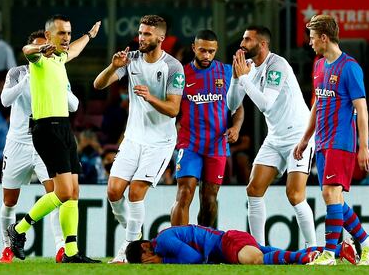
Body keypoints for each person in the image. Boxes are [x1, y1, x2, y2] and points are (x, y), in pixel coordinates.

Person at [7, 15, 101, 264]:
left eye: (69, 33)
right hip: (46, 129)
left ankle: (71, 252)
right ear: (48, 36)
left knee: (74, 193)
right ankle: (19, 229)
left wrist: (89, 36)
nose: (67, 38)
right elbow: (27, 51)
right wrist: (39, 48)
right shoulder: (38, 60)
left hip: (64, 129)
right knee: (62, 192)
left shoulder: (60, 58)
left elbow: (77, 50)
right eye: (62, 33)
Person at [93, 15, 184, 263]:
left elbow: (174, 109)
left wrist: (150, 97)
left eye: (146, 34)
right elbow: (98, 85)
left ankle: (127, 248)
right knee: (113, 192)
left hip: (160, 142)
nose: (141, 38)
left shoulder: (173, 67)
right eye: (140, 33)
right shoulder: (130, 59)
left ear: (160, 38)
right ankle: (134, 230)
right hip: (133, 138)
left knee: (135, 192)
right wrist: (113, 67)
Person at [294, 14, 369, 265]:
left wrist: (363, 145)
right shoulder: (319, 66)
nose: (310, 43)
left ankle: (330, 253)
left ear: (324, 37)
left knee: (331, 194)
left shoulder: (350, 67)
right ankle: (366, 242)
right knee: (334, 198)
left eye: (312, 38)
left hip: (341, 141)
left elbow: (361, 108)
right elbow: (317, 105)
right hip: (321, 141)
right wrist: (304, 139)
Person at [226, 26, 316, 247]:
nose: (242, 43)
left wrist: (245, 79)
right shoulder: (248, 68)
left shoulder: (278, 64)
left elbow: (266, 103)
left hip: (298, 136)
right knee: (253, 190)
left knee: (295, 195)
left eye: (247, 39)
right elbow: (232, 104)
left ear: (262, 44)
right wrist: (237, 78)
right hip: (275, 138)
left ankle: (313, 249)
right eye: (243, 39)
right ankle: (259, 250)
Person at [0, 30, 79, 263]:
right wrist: (28, 79)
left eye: (47, 47)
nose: (45, 51)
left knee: (57, 194)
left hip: (44, 141)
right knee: (9, 200)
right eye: (39, 48)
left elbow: (74, 105)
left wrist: (60, 87)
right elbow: (5, 101)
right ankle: (7, 247)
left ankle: (61, 248)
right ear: (30, 50)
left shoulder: (57, 70)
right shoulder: (17, 73)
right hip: (17, 143)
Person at [170, 29, 244, 227]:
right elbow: (171, 108)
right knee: (184, 194)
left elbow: (237, 108)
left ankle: (203, 243)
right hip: (189, 144)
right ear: (194, 48)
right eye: (202, 50)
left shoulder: (227, 72)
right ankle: (178, 246)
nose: (207, 55)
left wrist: (236, 127)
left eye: (211, 51)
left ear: (216, 49)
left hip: (217, 146)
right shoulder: (181, 74)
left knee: (209, 200)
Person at [125, 224, 357, 265]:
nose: (149, 263)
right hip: (229, 244)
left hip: (228, 243)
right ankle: (338, 249)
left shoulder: (163, 242)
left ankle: (309, 258)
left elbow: (194, 259)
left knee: (257, 261)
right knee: (283, 255)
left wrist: (163, 261)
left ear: (146, 247)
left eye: (145, 261)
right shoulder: (164, 239)